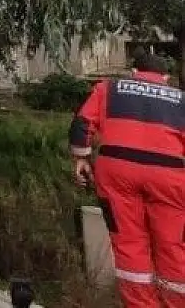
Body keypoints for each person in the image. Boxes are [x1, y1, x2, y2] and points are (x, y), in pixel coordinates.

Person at [70, 50, 185, 307]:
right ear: (165, 78)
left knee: (129, 245)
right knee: (172, 245)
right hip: (170, 178)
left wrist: (81, 159)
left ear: (134, 72)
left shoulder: (109, 88)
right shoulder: (182, 100)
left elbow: (81, 123)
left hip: (117, 172)